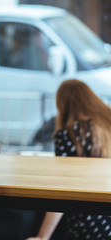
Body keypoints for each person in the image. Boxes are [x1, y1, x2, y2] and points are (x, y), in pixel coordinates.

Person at [26, 79, 111, 240]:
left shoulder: (68, 135)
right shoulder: (106, 127)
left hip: (86, 222)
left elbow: (62, 189)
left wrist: (42, 236)